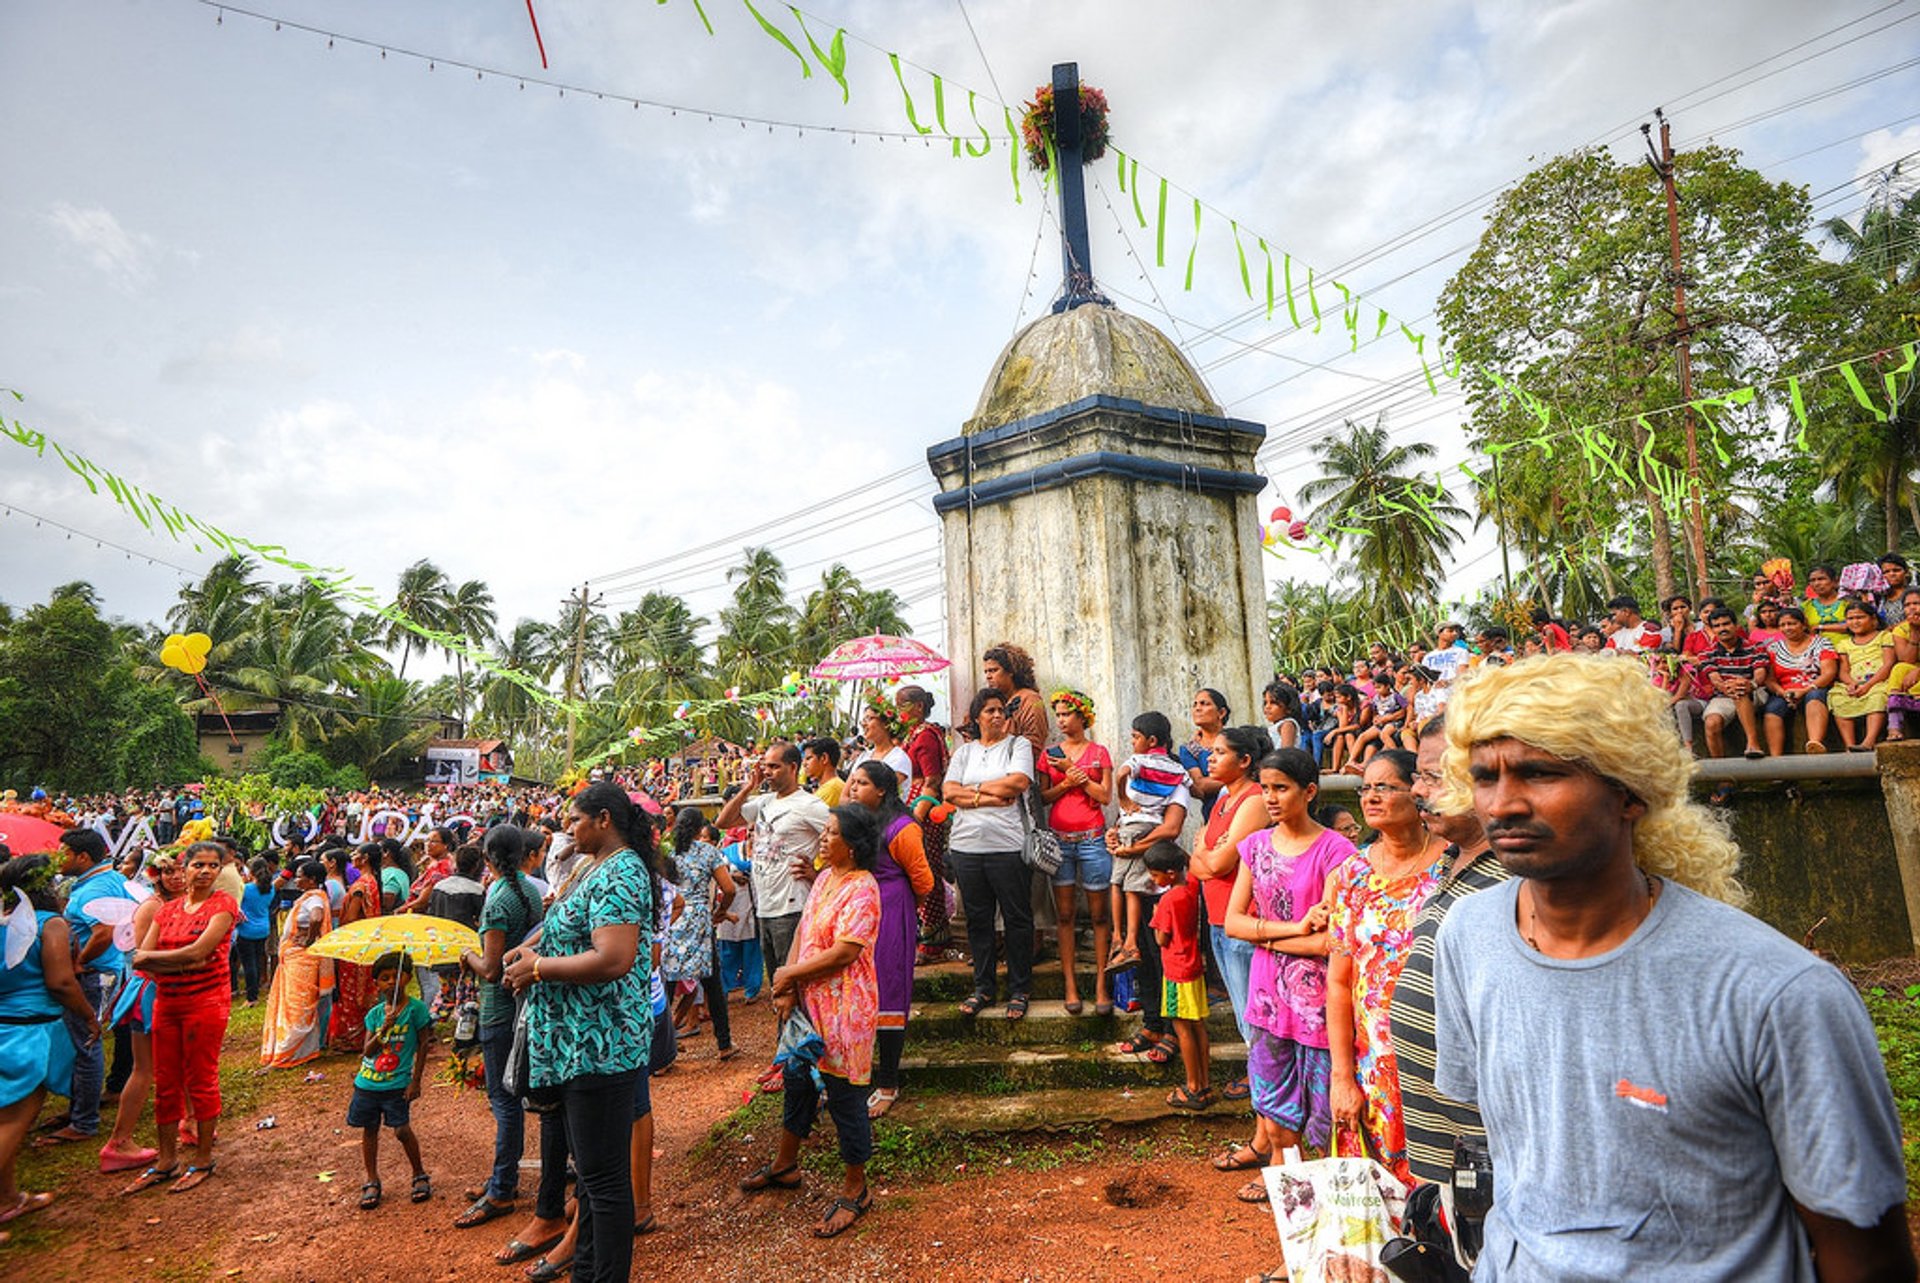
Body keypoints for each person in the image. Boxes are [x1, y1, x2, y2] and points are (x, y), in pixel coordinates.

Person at [1432, 652, 1915, 1280]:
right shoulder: (1468, 936)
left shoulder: (1777, 993)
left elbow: (1864, 1250)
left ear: (1630, 792)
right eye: (1485, 777)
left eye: (1539, 773)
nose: (1503, 804)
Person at [502, 781, 654, 1283]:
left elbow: (614, 958)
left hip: (601, 1045)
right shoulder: (594, 867)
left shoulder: (624, 871)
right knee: (591, 1179)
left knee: (605, 1183)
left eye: (575, 819)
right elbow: (567, 927)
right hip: (577, 1046)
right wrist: (528, 953)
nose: (569, 828)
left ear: (604, 819)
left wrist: (540, 969)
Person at [740, 804, 883, 1241]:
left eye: (832, 833)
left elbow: (845, 952)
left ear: (853, 846)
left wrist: (790, 975)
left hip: (846, 1006)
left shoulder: (864, 888)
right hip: (809, 1001)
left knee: (844, 1096)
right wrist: (786, 983)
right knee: (798, 1078)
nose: (823, 838)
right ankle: (785, 1164)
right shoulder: (823, 878)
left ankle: (857, 1190)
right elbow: (804, 934)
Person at [1217, 749, 1353, 1203]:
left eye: (1281, 788)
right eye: (1266, 788)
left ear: (1309, 791)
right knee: (1276, 1124)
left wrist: (1264, 937)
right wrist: (1294, 928)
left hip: (1319, 1008)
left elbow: (1329, 943)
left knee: (1322, 1129)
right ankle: (1293, 1232)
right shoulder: (1254, 846)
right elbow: (1232, 922)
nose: (1270, 798)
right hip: (1267, 1001)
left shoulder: (1337, 851)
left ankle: (1325, 1229)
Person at [1391, 713, 1513, 1204]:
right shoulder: (1451, 858)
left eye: (1432, 776)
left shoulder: (1517, 879)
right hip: (1440, 1138)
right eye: (1418, 775)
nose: (1416, 790)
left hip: (1491, 1146)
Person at [1327, 750, 1446, 1186]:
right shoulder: (1352, 874)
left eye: (1384, 787)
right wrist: (1343, 1078)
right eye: (1366, 788)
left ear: (1416, 793)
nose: (1370, 797)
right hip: (1373, 1067)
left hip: (1441, 1061)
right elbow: (1339, 983)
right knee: (1378, 1202)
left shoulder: (1453, 866)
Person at [124, 841, 236, 1194]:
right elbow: (141, 957)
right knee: (165, 1080)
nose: (205, 871)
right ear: (183, 868)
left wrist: (167, 959)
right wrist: (184, 961)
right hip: (168, 1002)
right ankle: (166, 1159)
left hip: (206, 1002)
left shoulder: (224, 905)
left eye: (212, 866)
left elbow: (201, 952)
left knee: (201, 1077)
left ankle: (203, 1159)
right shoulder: (166, 911)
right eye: (198, 864)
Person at [0, 852, 99, 1236]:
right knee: (13, 1122)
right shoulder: (49, 925)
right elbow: (60, 981)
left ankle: (8, 1199)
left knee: (5, 1118)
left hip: (5, 1026)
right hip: (30, 1032)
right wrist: (89, 1014)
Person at [454, 825, 544, 1231]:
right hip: (525, 1005)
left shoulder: (498, 898)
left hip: (498, 1010)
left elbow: (490, 970)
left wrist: (468, 955)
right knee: (519, 1094)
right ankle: (500, 1178)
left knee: (504, 1101)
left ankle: (502, 1189)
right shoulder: (530, 890)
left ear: (488, 859)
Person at [843, 761, 933, 1117]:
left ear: (881, 789)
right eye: (853, 781)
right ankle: (856, 1075)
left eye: (861, 783)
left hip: (891, 912)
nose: (853, 788)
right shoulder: (855, 822)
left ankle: (888, 1082)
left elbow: (923, 883)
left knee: (889, 991)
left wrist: (899, 907)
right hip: (857, 914)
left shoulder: (902, 828)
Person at [941, 686, 1037, 1019]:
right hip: (966, 847)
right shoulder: (964, 753)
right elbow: (949, 791)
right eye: (990, 711)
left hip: (1007, 846)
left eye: (1001, 711)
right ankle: (983, 987)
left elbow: (1018, 783)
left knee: (1017, 919)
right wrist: (989, 797)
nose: (997, 716)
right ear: (977, 718)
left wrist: (973, 792)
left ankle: (1019, 989)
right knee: (978, 921)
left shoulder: (1018, 745)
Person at [1189, 724, 1272, 1102]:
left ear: (1245, 761)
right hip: (1218, 917)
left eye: (1220, 752)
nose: (1211, 756)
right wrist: (1209, 857)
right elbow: (1198, 861)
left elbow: (1218, 861)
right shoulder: (1223, 799)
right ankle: (1260, 1081)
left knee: (1252, 1012)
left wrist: (1208, 856)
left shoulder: (1253, 798)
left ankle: (1265, 1087)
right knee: (1242, 1011)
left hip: (1242, 919)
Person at [713, 743, 830, 1007]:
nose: (768, 772)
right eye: (766, 766)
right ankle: (787, 1043)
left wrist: (818, 874)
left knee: (794, 986)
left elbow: (843, 838)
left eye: (775, 767)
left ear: (793, 767)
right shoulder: (764, 802)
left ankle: (801, 1044)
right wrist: (747, 788)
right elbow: (723, 822)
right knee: (779, 988)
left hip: (792, 906)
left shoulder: (810, 805)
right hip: (764, 907)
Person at [39, 828, 133, 1148]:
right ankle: (79, 1109)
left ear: (83, 857)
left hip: (95, 974)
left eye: (63, 852)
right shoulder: (111, 879)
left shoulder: (94, 889)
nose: (58, 857)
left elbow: (104, 932)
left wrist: (79, 962)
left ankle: (84, 1121)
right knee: (84, 1041)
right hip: (106, 970)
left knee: (87, 1043)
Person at [101, 854, 185, 1174]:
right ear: (157, 875)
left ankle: (190, 1123)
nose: (175, 876)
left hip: (171, 989)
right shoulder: (153, 907)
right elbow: (142, 956)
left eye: (180, 870)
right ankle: (119, 1142)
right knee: (144, 1069)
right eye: (168, 871)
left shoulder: (184, 903)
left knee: (181, 1060)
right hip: (152, 991)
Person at [1035, 689, 1114, 1015]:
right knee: (1064, 916)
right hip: (1059, 841)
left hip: (1094, 839)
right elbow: (1042, 798)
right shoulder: (1049, 754)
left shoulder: (1099, 753)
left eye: (1068, 713)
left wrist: (1075, 775)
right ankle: (1069, 984)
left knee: (1099, 916)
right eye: (1059, 714)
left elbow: (1105, 797)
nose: (1062, 719)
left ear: (1084, 717)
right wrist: (1066, 782)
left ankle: (1100, 986)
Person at [1106, 711, 1192, 979]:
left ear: (1151, 740)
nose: (1132, 742)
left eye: (1135, 737)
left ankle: (1124, 939)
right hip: (1132, 838)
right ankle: (1122, 939)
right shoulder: (1176, 773)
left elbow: (1171, 828)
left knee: (1156, 951)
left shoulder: (1140, 764)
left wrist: (1131, 847)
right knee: (1122, 887)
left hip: (1155, 867)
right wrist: (1115, 831)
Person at [350, 952, 434, 1210]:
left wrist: (416, 1081)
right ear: (376, 984)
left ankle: (419, 1173)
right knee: (370, 1129)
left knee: (402, 1130)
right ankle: (372, 1180)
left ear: (408, 977)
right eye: (384, 978)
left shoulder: (416, 1010)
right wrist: (383, 1029)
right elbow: (368, 1051)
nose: (391, 982)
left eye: (396, 976)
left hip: (397, 1084)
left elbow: (423, 1044)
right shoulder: (375, 1015)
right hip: (368, 1083)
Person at [661, 807, 737, 1058]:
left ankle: (660, 1053)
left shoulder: (669, 854)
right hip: (699, 919)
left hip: (674, 917)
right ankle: (724, 1044)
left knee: (667, 985)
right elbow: (729, 889)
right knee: (712, 983)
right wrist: (719, 911)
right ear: (698, 829)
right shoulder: (708, 852)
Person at [1144, 840, 1212, 1110]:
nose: (1153, 879)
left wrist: (1155, 915)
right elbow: (1190, 865)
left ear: (1169, 873)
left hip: (1175, 970)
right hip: (1194, 967)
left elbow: (1161, 939)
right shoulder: (1192, 888)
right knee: (1198, 1025)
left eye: (1154, 874)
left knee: (1182, 1027)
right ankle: (1204, 1084)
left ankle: (1193, 1087)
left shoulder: (1168, 899)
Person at [259, 860, 334, 1068]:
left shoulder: (315, 899)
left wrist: (309, 938)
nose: (296, 879)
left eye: (300, 876)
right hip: (295, 957)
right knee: (296, 1005)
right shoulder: (312, 896)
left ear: (311, 880)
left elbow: (316, 917)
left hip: (302, 959)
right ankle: (299, 1050)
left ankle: (288, 1053)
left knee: (297, 1006)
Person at [331, 843, 384, 1053]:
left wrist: (340, 933)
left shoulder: (361, 885)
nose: (352, 856)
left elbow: (352, 918)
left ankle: (353, 1037)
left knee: (351, 992)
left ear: (365, 858)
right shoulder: (372, 882)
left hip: (355, 944)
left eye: (356, 854)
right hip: (369, 943)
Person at [1696, 607, 1770, 760]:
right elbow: (1714, 678)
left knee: (1740, 688)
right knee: (1711, 723)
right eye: (1717, 626)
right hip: (1723, 695)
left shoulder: (1756, 647)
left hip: (1754, 692)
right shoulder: (1706, 653)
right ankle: (1722, 776)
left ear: (1736, 625)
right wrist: (1726, 687)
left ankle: (1753, 744)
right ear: (1712, 629)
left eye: (1726, 624)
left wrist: (1751, 684)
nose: (1722, 629)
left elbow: (1760, 674)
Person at [1763, 605, 1837, 755]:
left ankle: (1815, 744)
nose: (1787, 628)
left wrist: (1804, 690)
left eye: (1792, 623)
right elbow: (1769, 680)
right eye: (1782, 625)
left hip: (1815, 687)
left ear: (1803, 625)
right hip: (1785, 691)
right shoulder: (1773, 648)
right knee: (1772, 710)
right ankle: (1775, 759)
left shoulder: (1822, 643)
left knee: (1815, 697)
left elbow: (1829, 673)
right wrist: (1783, 692)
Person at [1831, 597, 1895, 752]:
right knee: (1837, 698)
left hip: (1877, 680)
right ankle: (1849, 745)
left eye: (1860, 617)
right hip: (1854, 682)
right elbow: (1843, 670)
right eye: (1850, 619)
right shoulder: (1843, 644)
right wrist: (1851, 683)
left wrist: (1867, 686)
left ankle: (1868, 742)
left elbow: (1888, 665)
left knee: (1878, 696)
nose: (1855, 622)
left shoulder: (1883, 636)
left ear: (1873, 619)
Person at [983, 642, 1047, 755]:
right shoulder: (997, 701)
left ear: (1010, 671)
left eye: (993, 670)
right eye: (986, 672)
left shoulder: (1030, 699)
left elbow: (1034, 744)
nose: (988, 676)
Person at [1179, 688, 1231, 819]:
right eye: (1195, 704)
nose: (1198, 708)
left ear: (1221, 712)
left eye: (1204, 704)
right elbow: (1199, 785)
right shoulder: (1189, 749)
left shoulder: (1236, 740)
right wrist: (1238, 778)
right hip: (1213, 815)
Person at [231, 857, 274, 1006]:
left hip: (246, 929)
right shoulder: (271, 888)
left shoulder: (246, 889)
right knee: (256, 961)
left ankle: (251, 997)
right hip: (263, 928)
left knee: (248, 964)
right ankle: (254, 990)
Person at [1890, 586, 1920, 740]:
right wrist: (1914, 632)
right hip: (1913, 670)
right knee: (1899, 669)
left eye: (1916, 603)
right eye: (1907, 605)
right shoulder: (1901, 629)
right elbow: (1906, 660)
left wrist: (1918, 671)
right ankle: (1894, 727)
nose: (1912, 608)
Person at [1804, 562, 1848, 636]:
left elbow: (1857, 626)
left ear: (1834, 581)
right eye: (1812, 580)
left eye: (1821, 579)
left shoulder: (1848, 602)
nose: (1816, 584)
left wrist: (1820, 627)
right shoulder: (1805, 607)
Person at [1262, 680, 1306, 750]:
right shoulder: (1277, 725)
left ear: (1288, 708)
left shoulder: (1287, 724)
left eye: (1273, 703)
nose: (1267, 707)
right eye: (1265, 703)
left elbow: (1286, 753)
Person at [803, 738, 845, 808]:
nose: (804, 763)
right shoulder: (829, 786)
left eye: (809, 758)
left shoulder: (831, 789)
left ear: (824, 758)